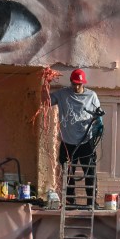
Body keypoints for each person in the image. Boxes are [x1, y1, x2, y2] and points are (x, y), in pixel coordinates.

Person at [51, 68, 103, 206]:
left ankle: (91, 202)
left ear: (83, 83)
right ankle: (70, 200)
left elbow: (98, 115)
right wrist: (45, 83)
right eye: (74, 83)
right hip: (68, 141)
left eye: (79, 84)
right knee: (68, 173)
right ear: (71, 82)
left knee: (90, 171)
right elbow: (46, 101)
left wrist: (99, 125)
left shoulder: (92, 96)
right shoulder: (62, 94)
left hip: (86, 140)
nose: (77, 86)